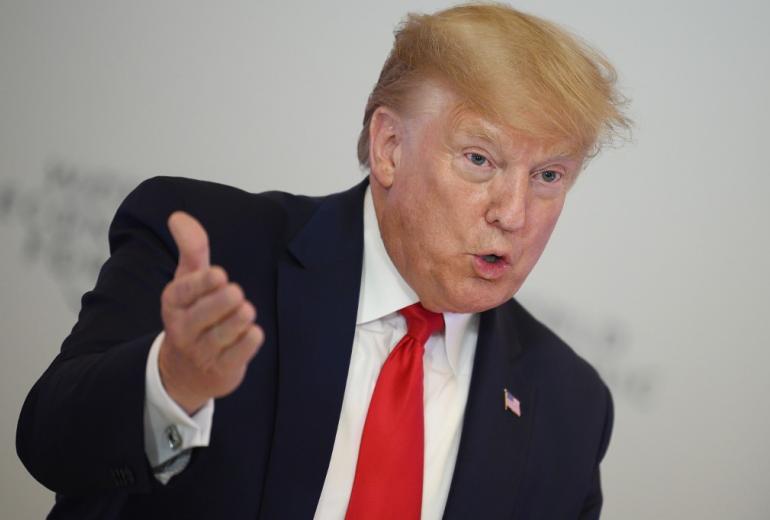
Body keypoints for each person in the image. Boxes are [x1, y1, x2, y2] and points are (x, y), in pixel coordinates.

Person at [17, 3, 629, 519]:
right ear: (389, 148)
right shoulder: (215, 254)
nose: (514, 213)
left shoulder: (570, 405)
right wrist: (171, 381)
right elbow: (49, 444)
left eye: (549, 175)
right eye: (479, 160)